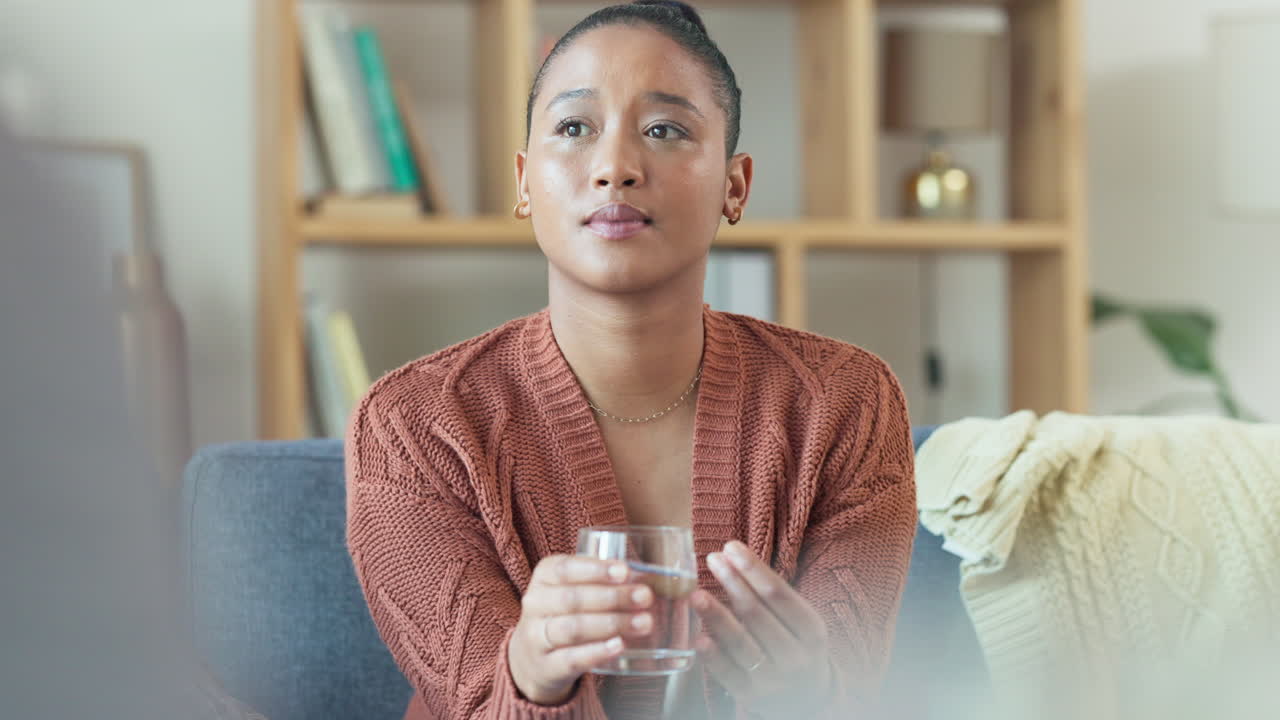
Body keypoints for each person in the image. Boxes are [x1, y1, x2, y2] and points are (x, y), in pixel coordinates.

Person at [343, 2, 917, 718]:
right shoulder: (415, 424)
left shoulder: (845, 405)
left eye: (664, 130)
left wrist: (814, 695)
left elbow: (858, 701)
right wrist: (531, 672)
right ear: (524, 181)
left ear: (734, 186)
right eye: (575, 128)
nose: (615, 168)